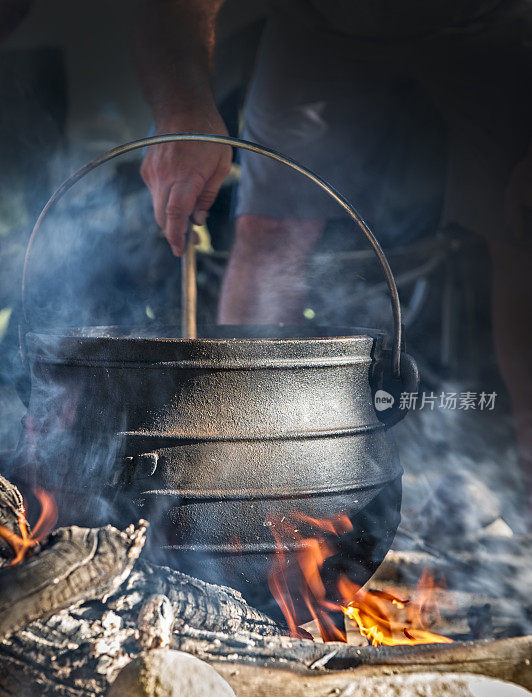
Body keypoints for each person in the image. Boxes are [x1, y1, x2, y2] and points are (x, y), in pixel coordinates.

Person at [134, 0, 532, 511]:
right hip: (324, 20)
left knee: (522, 231)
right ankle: (242, 492)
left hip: (498, 22)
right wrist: (181, 112)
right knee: (268, 233)